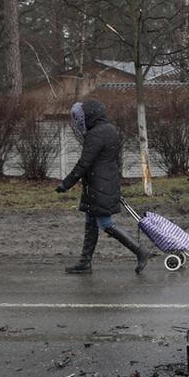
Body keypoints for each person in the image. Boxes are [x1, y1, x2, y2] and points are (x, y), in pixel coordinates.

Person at [56, 100, 149, 274]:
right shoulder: (109, 130)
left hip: (99, 184)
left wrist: (66, 184)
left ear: (88, 116)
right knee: (91, 222)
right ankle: (85, 262)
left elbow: (84, 163)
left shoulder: (96, 134)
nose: (78, 122)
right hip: (105, 181)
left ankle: (140, 251)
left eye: (80, 118)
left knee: (105, 223)